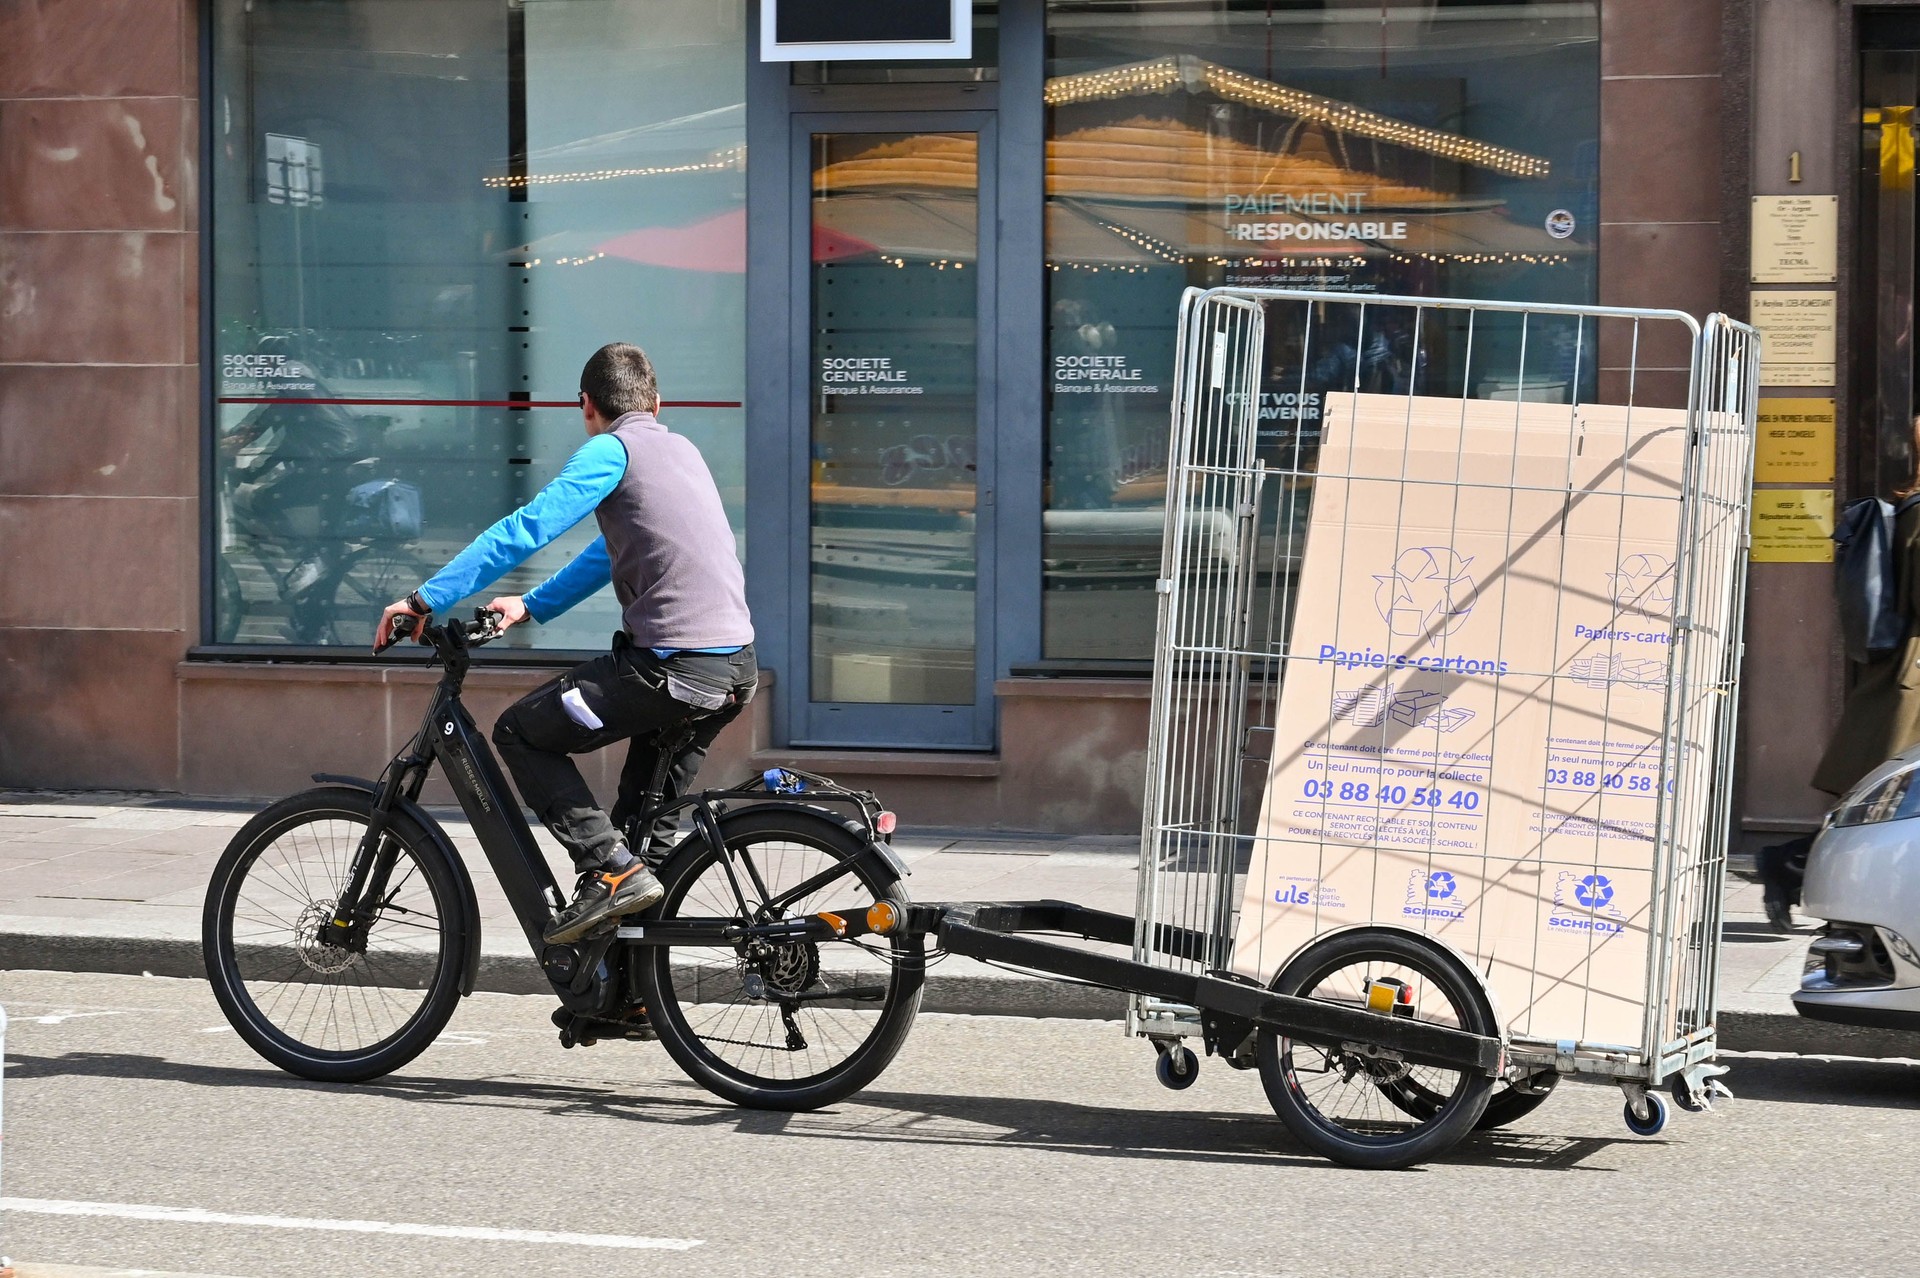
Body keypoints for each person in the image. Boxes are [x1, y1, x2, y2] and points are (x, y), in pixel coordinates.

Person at [377, 343, 755, 944]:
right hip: (731, 670)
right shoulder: (679, 450)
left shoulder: (612, 449)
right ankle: (627, 998)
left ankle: (608, 869)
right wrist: (531, 605)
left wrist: (424, 600)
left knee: (521, 732)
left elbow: (526, 528)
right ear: (656, 404)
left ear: (587, 406)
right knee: (642, 840)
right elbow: (610, 551)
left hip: (670, 668)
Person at [1763, 418, 1920, 928]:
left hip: (1904, 679)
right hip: (1909, 685)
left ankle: (1791, 866)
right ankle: (1790, 865)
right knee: (1883, 806)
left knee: (1886, 808)